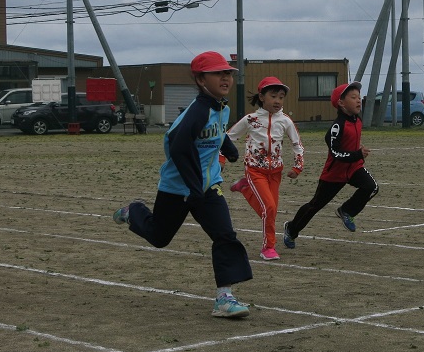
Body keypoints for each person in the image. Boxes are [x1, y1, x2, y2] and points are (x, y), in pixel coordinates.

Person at [112, 51, 252, 319]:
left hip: (208, 186)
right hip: (178, 188)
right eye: (217, 73)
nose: (225, 78)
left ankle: (224, 297)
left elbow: (216, 131)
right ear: (200, 80)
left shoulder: (221, 107)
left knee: (224, 235)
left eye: (228, 74)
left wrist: (229, 147)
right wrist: (192, 187)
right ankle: (134, 211)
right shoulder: (198, 110)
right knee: (159, 237)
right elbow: (179, 147)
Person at [283, 81, 377, 248]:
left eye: (359, 97)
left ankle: (347, 210)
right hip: (334, 174)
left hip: (353, 168)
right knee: (315, 206)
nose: (358, 100)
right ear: (341, 103)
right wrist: (357, 154)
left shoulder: (357, 120)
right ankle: (291, 228)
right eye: (353, 97)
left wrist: (358, 152)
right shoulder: (336, 127)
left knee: (371, 187)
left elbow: (352, 143)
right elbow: (336, 153)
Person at [227, 76, 305, 261]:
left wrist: (298, 166)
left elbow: (297, 144)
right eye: (273, 96)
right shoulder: (250, 119)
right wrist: (223, 157)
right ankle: (268, 247)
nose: (278, 101)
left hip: (275, 172)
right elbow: (229, 137)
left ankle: (245, 189)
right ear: (261, 97)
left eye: (281, 97)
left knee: (270, 209)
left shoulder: (285, 121)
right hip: (254, 170)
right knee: (269, 207)